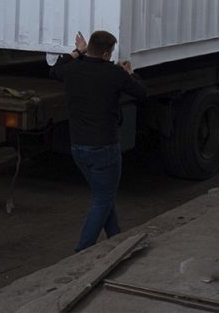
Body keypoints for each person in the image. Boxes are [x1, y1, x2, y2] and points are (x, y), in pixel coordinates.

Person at [51, 30, 148, 252]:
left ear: (90, 48)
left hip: (78, 148)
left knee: (104, 195)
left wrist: (78, 51)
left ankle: (116, 238)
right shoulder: (114, 74)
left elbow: (54, 70)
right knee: (103, 199)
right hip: (104, 147)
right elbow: (142, 93)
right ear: (106, 54)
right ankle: (82, 251)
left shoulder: (72, 69)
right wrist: (131, 73)